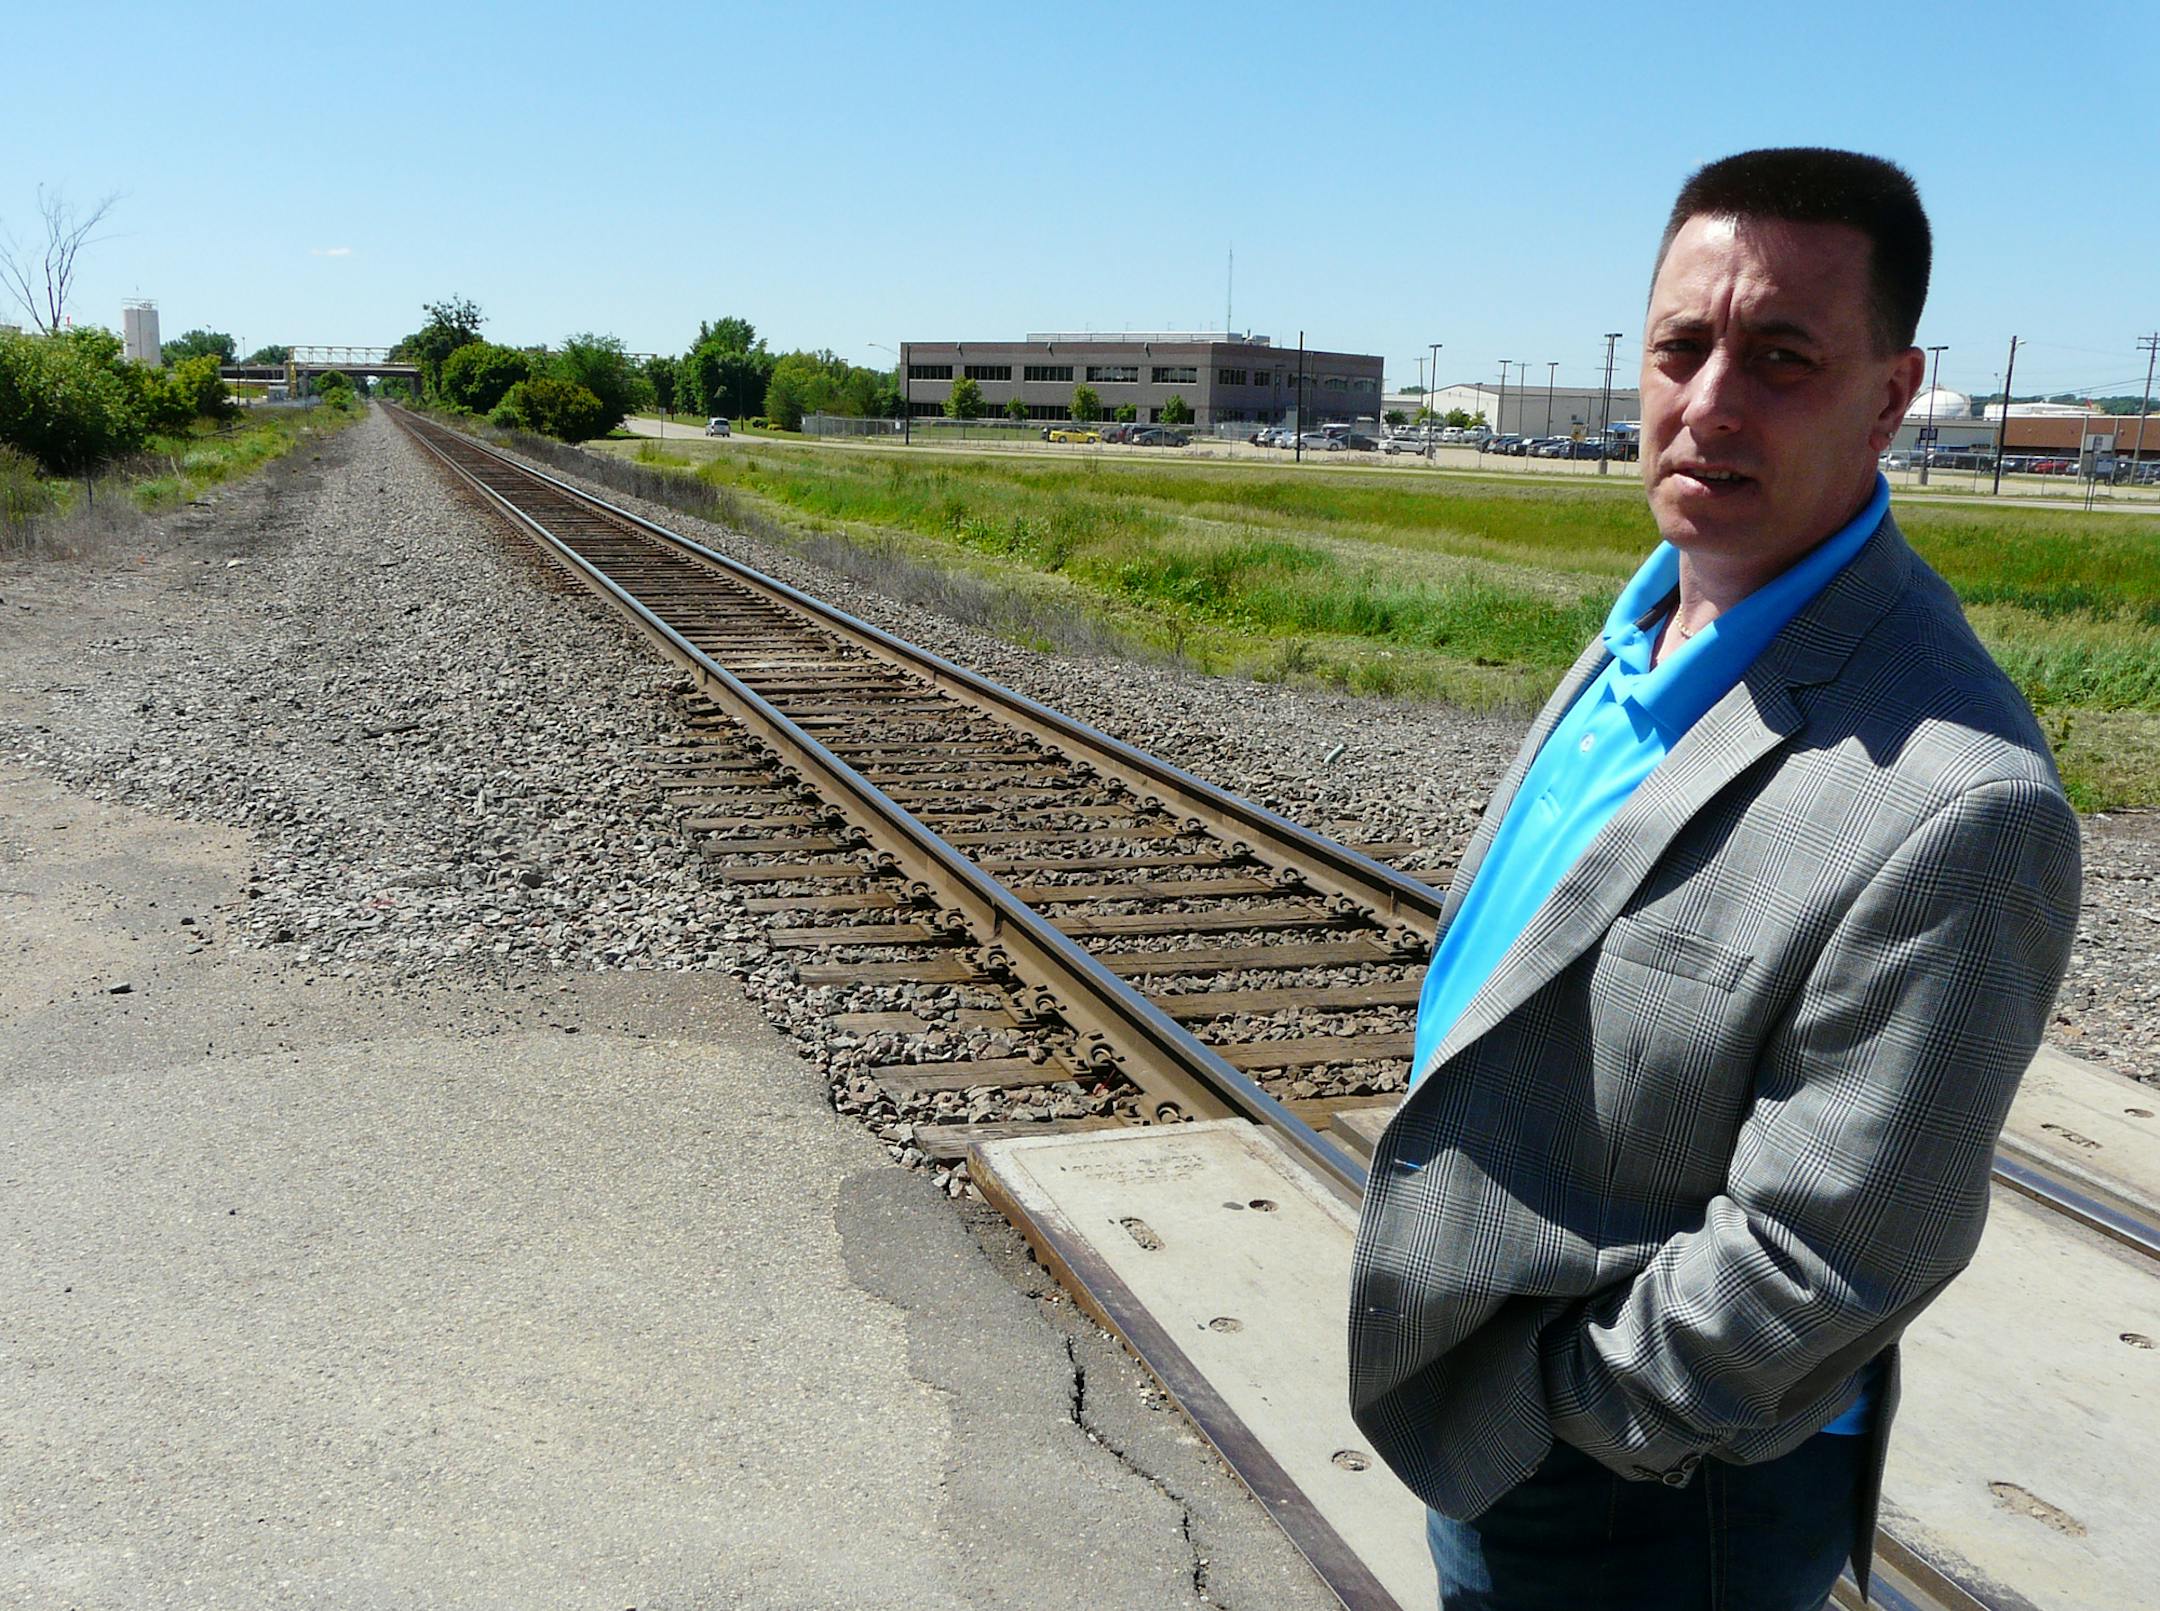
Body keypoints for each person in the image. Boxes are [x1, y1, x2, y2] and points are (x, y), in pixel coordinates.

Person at [1348, 148, 2082, 1611]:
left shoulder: (1956, 799)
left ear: (1889, 396)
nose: (1710, 403)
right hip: (1510, 1427)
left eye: (1783, 358)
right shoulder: (1653, 624)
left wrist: (1563, 1411)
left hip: (1653, 1502)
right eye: (1682, 348)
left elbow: (1844, 1244)